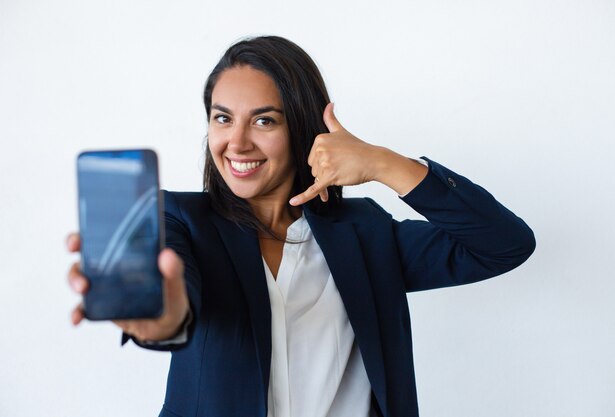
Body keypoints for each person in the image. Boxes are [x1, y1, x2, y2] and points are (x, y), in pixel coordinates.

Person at [67, 36, 535, 417]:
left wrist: (383, 164)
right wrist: (155, 314)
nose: (237, 141)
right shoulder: (181, 220)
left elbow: (503, 244)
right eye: (222, 118)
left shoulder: (366, 234)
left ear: (305, 129)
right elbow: (176, 305)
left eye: (264, 120)